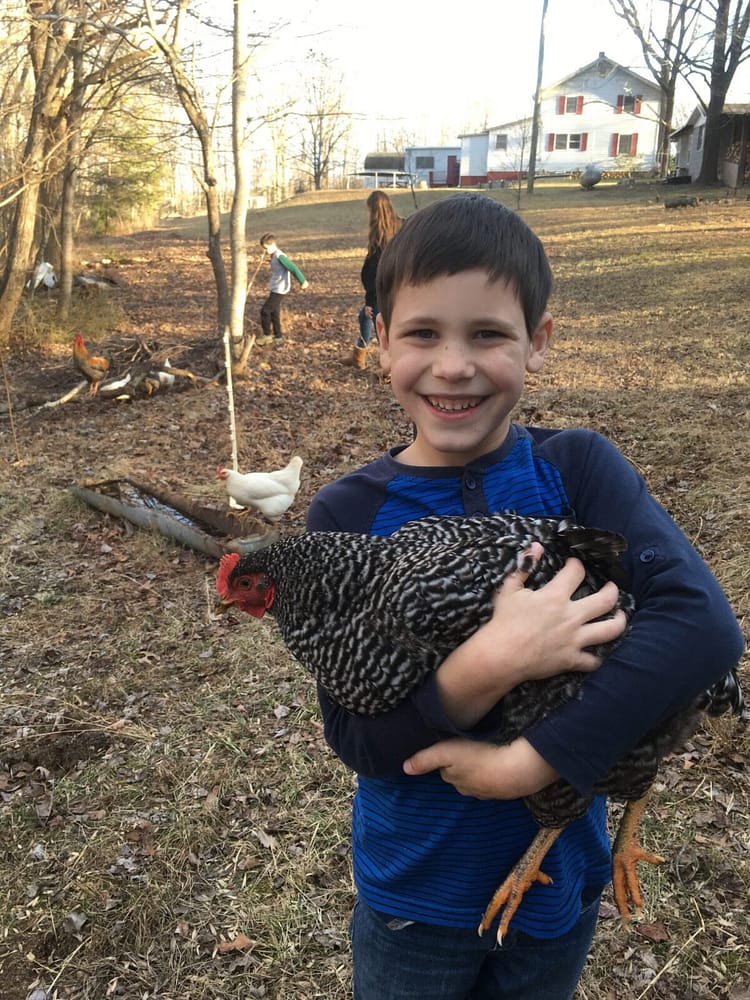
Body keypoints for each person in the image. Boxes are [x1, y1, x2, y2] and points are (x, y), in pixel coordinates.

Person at [306, 193, 744, 1000]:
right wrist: (489, 665)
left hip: (559, 889)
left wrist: (526, 765)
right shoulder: (347, 516)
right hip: (416, 899)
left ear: (538, 342)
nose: (453, 365)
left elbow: (706, 627)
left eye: (489, 334)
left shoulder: (578, 470)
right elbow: (356, 737)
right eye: (422, 333)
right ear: (379, 338)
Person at [344, 190, 401, 370]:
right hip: (395, 285)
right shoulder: (400, 225)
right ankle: (358, 356)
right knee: (365, 317)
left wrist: (370, 300)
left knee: (380, 327)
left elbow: (375, 273)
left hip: (383, 289)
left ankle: (390, 367)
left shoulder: (381, 235)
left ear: (374, 211)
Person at [256, 232, 309, 346]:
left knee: (265, 311)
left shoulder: (280, 256)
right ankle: (278, 336)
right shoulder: (274, 255)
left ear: (273, 245)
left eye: (266, 248)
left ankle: (267, 335)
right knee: (275, 312)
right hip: (276, 287)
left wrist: (302, 281)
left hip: (280, 289)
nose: (265, 251)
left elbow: (293, 268)